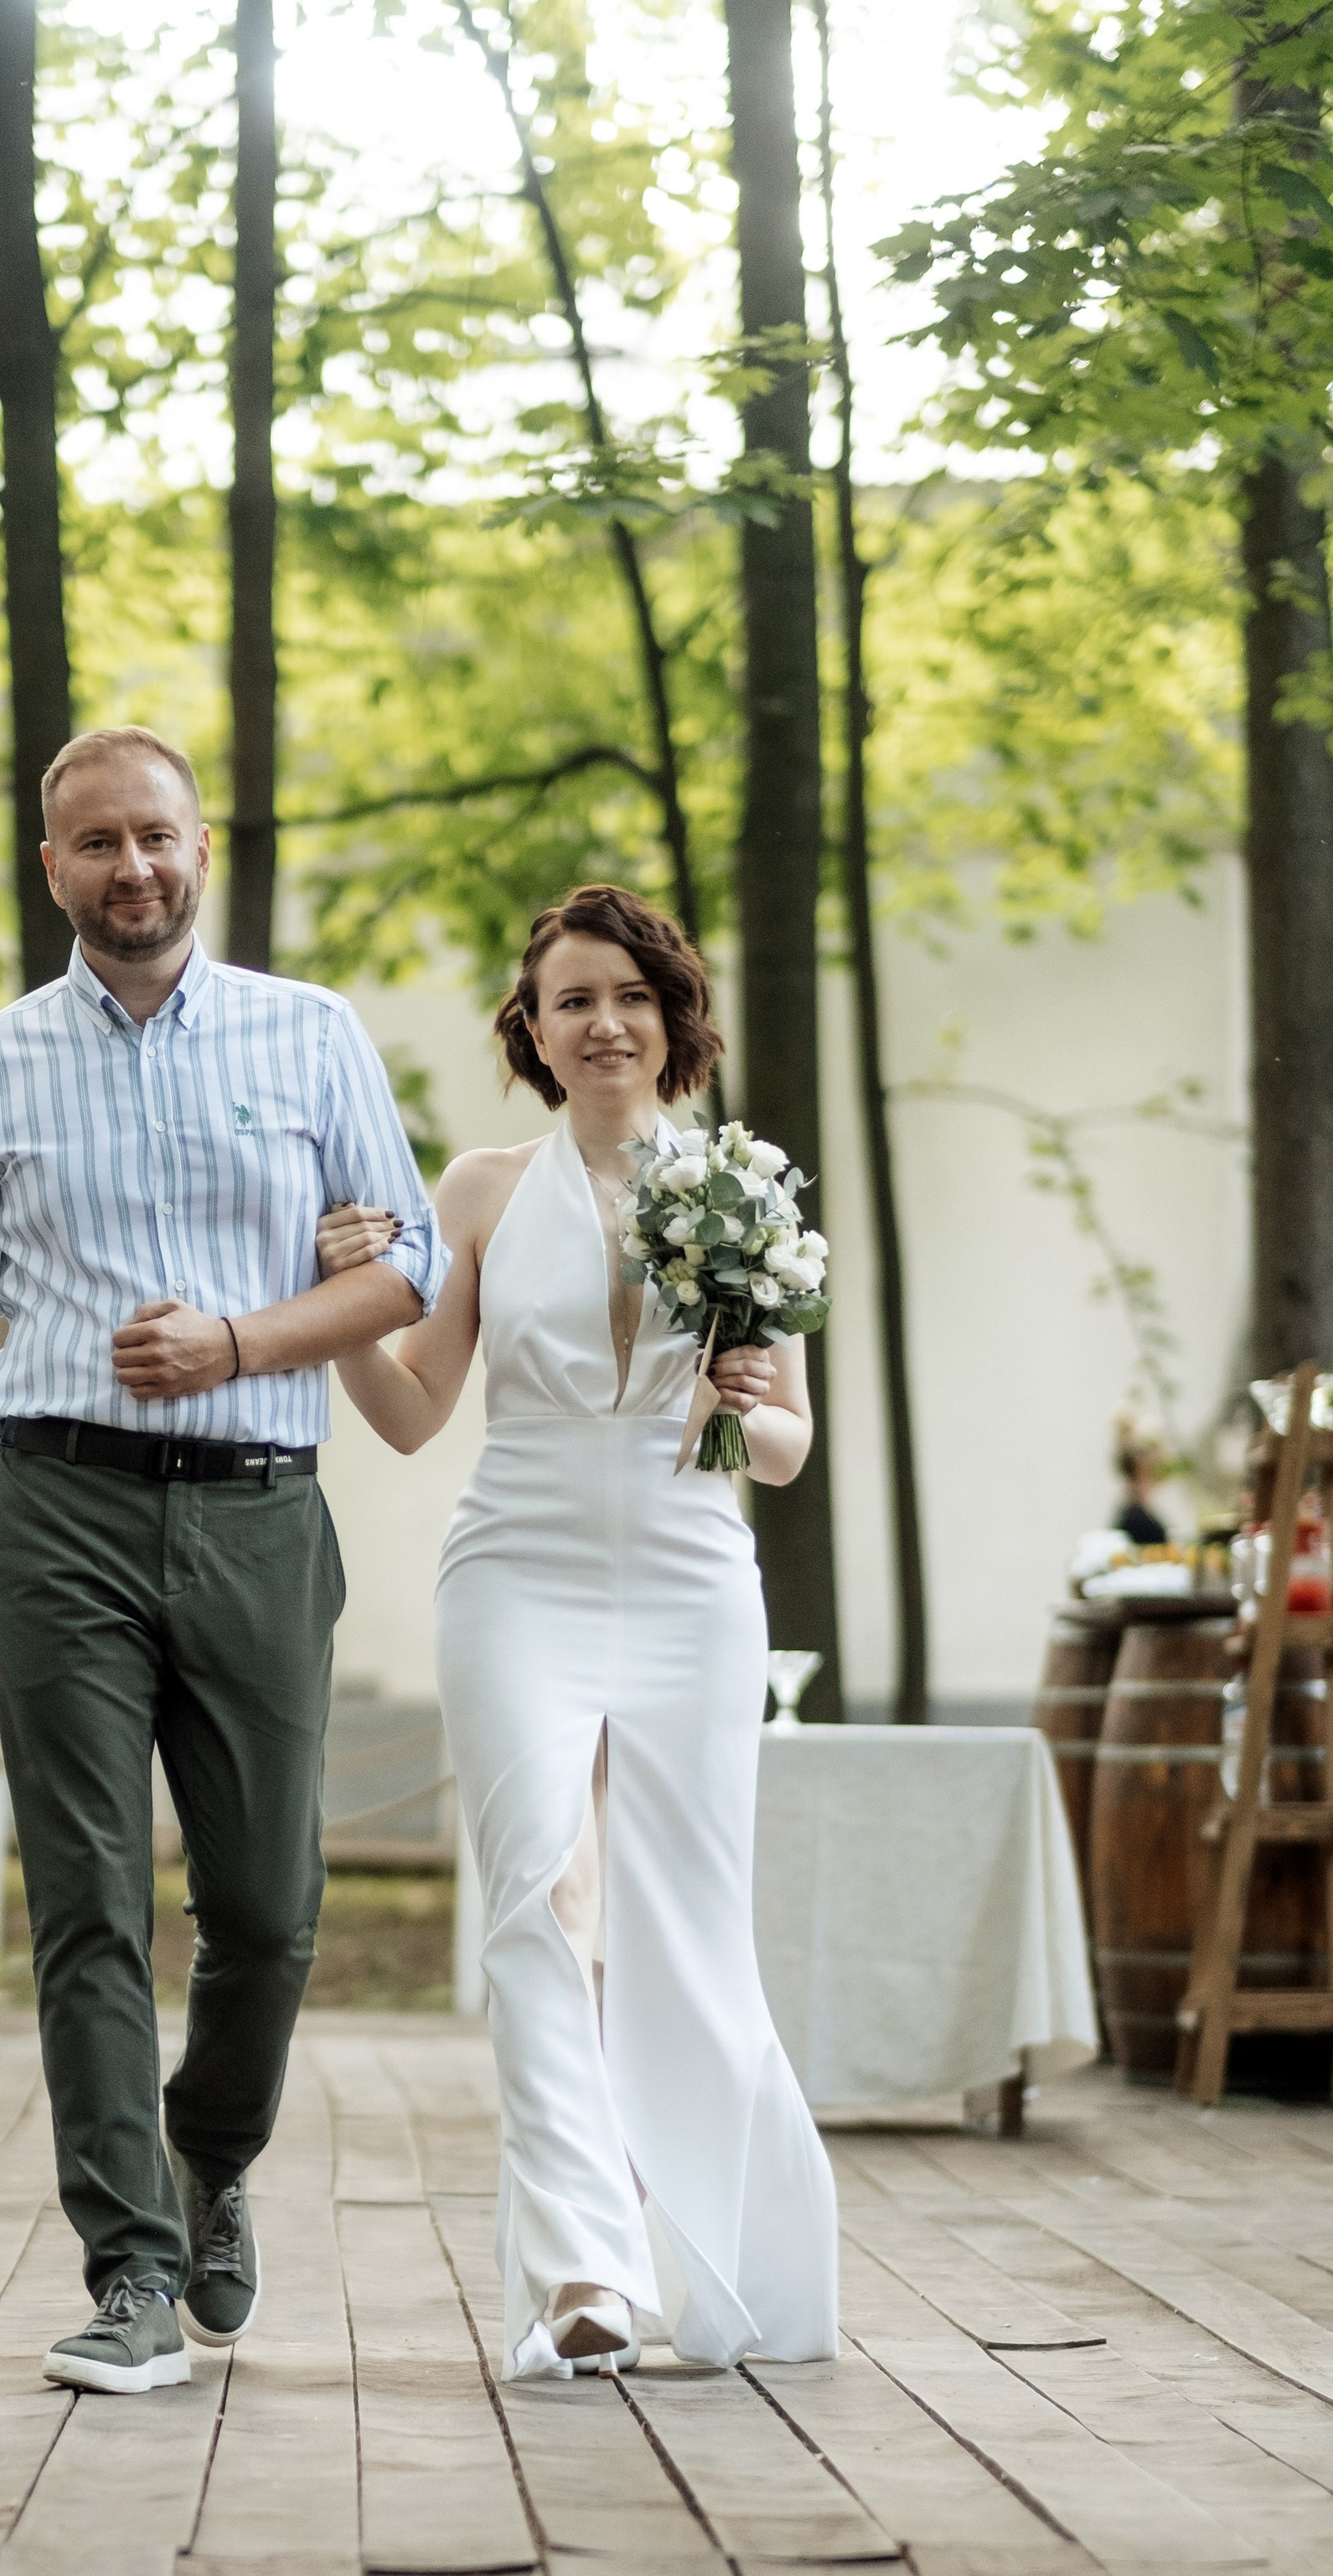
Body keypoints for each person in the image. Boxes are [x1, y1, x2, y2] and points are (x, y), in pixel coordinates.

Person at [0, 725, 444, 2394]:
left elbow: (403, 1267)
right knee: (87, 1903)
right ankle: (126, 2265)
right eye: (98, 843)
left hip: (264, 1504)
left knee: (267, 1910)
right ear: (50, 867)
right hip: (55, 1518)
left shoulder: (308, 1034)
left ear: (203, 851)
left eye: (159, 837)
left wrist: (242, 1339)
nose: (134, 868)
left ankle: (209, 2156)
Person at [314, 882, 838, 2379]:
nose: (601, 1022)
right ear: (534, 1034)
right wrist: (348, 1313)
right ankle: (585, 2272)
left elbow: (792, 1439)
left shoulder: (742, 1187)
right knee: (538, 1901)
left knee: (682, 1925)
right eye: (570, 1002)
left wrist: (756, 1409)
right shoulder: (478, 1191)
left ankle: (731, 2261)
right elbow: (415, 1413)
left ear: (672, 1018)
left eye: (627, 996)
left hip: (689, 1579)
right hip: (516, 1575)